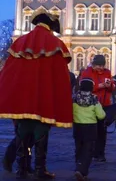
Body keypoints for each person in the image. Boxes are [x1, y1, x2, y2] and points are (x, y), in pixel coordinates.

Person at [0, 9, 73, 179]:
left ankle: (22, 169)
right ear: (50, 25)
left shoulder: (20, 43)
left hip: (21, 101)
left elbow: (9, 74)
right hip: (43, 99)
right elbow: (60, 77)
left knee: (22, 135)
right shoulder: (55, 44)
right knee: (41, 134)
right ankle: (40, 169)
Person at [80, 55, 115, 162]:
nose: (100, 68)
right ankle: (89, 152)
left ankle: (100, 153)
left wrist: (110, 85)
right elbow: (84, 86)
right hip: (90, 105)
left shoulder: (107, 72)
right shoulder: (87, 72)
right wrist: (100, 86)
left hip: (104, 104)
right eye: (98, 65)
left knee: (102, 130)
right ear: (93, 64)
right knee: (91, 130)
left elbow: (112, 87)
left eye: (102, 65)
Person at [73, 78, 105, 181]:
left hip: (77, 126)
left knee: (79, 148)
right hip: (90, 127)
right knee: (88, 150)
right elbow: (101, 115)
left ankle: (78, 166)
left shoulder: (74, 98)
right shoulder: (93, 99)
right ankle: (82, 171)